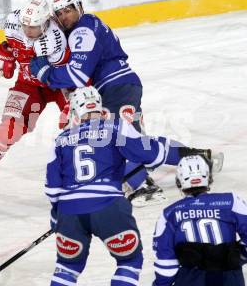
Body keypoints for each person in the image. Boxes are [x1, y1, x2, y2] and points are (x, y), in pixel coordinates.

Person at [45, 86, 215, 286]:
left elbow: (52, 190)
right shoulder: (115, 126)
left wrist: (59, 217)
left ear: (74, 110)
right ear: (99, 106)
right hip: (108, 207)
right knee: (129, 261)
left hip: (70, 211)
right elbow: (147, 153)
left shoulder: (60, 140)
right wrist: (182, 154)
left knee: (66, 268)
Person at [30, 0, 167, 206]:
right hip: (123, 84)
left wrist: (46, 73)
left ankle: (145, 187)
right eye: (60, 13)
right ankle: (192, 157)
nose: (64, 16)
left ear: (79, 7)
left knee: (113, 140)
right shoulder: (89, 23)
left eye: (68, 10)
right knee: (131, 139)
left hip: (115, 88)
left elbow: (77, 74)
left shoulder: (82, 32)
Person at [0, 0, 70, 194]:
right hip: (28, 85)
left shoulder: (55, 38)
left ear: (45, 23)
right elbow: (10, 45)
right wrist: (6, 53)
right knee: (8, 130)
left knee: (77, 124)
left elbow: (65, 72)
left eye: (34, 27)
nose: (28, 30)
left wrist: (72, 101)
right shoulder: (12, 24)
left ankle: (99, 171)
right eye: (25, 25)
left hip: (60, 84)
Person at [152, 155, 247, 286]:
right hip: (229, 279)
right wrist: (238, 256)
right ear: (208, 177)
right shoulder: (231, 202)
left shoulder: (169, 214)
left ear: (179, 181)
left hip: (191, 280)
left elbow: (166, 263)